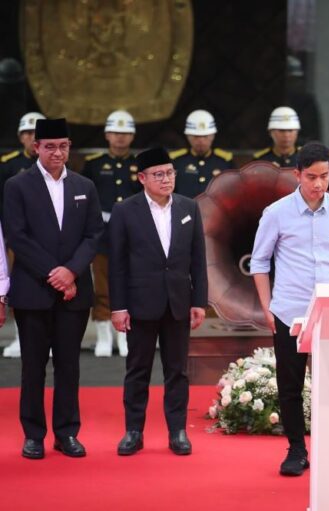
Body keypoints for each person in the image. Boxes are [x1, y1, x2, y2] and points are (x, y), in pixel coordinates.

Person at [250, 141, 329, 476]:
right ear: (297, 175)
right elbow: (259, 262)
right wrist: (267, 307)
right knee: (290, 385)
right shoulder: (276, 213)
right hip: (289, 311)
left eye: (324, 176)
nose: (318, 184)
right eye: (311, 177)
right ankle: (296, 449)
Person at [3, 118, 104, 459]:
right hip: (33, 290)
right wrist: (55, 274)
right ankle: (33, 434)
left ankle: (67, 433)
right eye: (50, 147)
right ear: (36, 148)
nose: (57, 153)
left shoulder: (84, 186)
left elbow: (94, 234)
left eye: (62, 146)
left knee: (69, 366)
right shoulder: (17, 185)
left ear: (69, 148)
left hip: (74, 292)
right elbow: (17, 236)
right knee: (33, 367)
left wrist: (71, 271)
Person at [109, 147, 207, 456]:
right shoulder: (125, 211)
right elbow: (117, 264)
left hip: (178, 302)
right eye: (159, 174)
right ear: (142, 178)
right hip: (140, 303)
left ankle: (177, 431)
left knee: (177, 371)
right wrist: (118, 307)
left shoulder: (189, 207)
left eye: (170, 173)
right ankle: (133, 431)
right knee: (137, 370)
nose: (166, 179)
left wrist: (199, 301)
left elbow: (198, 260)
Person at [81, 110, 141, 357]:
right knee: (102, 286)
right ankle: (104, 336)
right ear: (107, 134)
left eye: (125, 132)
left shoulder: (140, 164)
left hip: (133, 233)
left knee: (132, 284)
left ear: (133, 135)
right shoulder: (94, 164)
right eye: (115, 132)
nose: (120, 137)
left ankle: (126, 335)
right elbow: (83, 199)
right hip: (103, 233)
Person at [1, 112, 45, 358]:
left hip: (47, 238)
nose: (32, 137)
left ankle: (48, 339)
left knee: (48, 286)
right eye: (28, 133)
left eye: (36, 133)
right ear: (20, 137)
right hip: (15, 239)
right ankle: (21, 337)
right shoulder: (8, 164)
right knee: (16, 287)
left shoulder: (56, 163)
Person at [171, 109, 233, 198]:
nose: (201, 141)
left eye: (205, 136)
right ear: (188, 137)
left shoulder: (225, 161)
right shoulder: (176, 161)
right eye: (196, 136)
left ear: (213, 136)